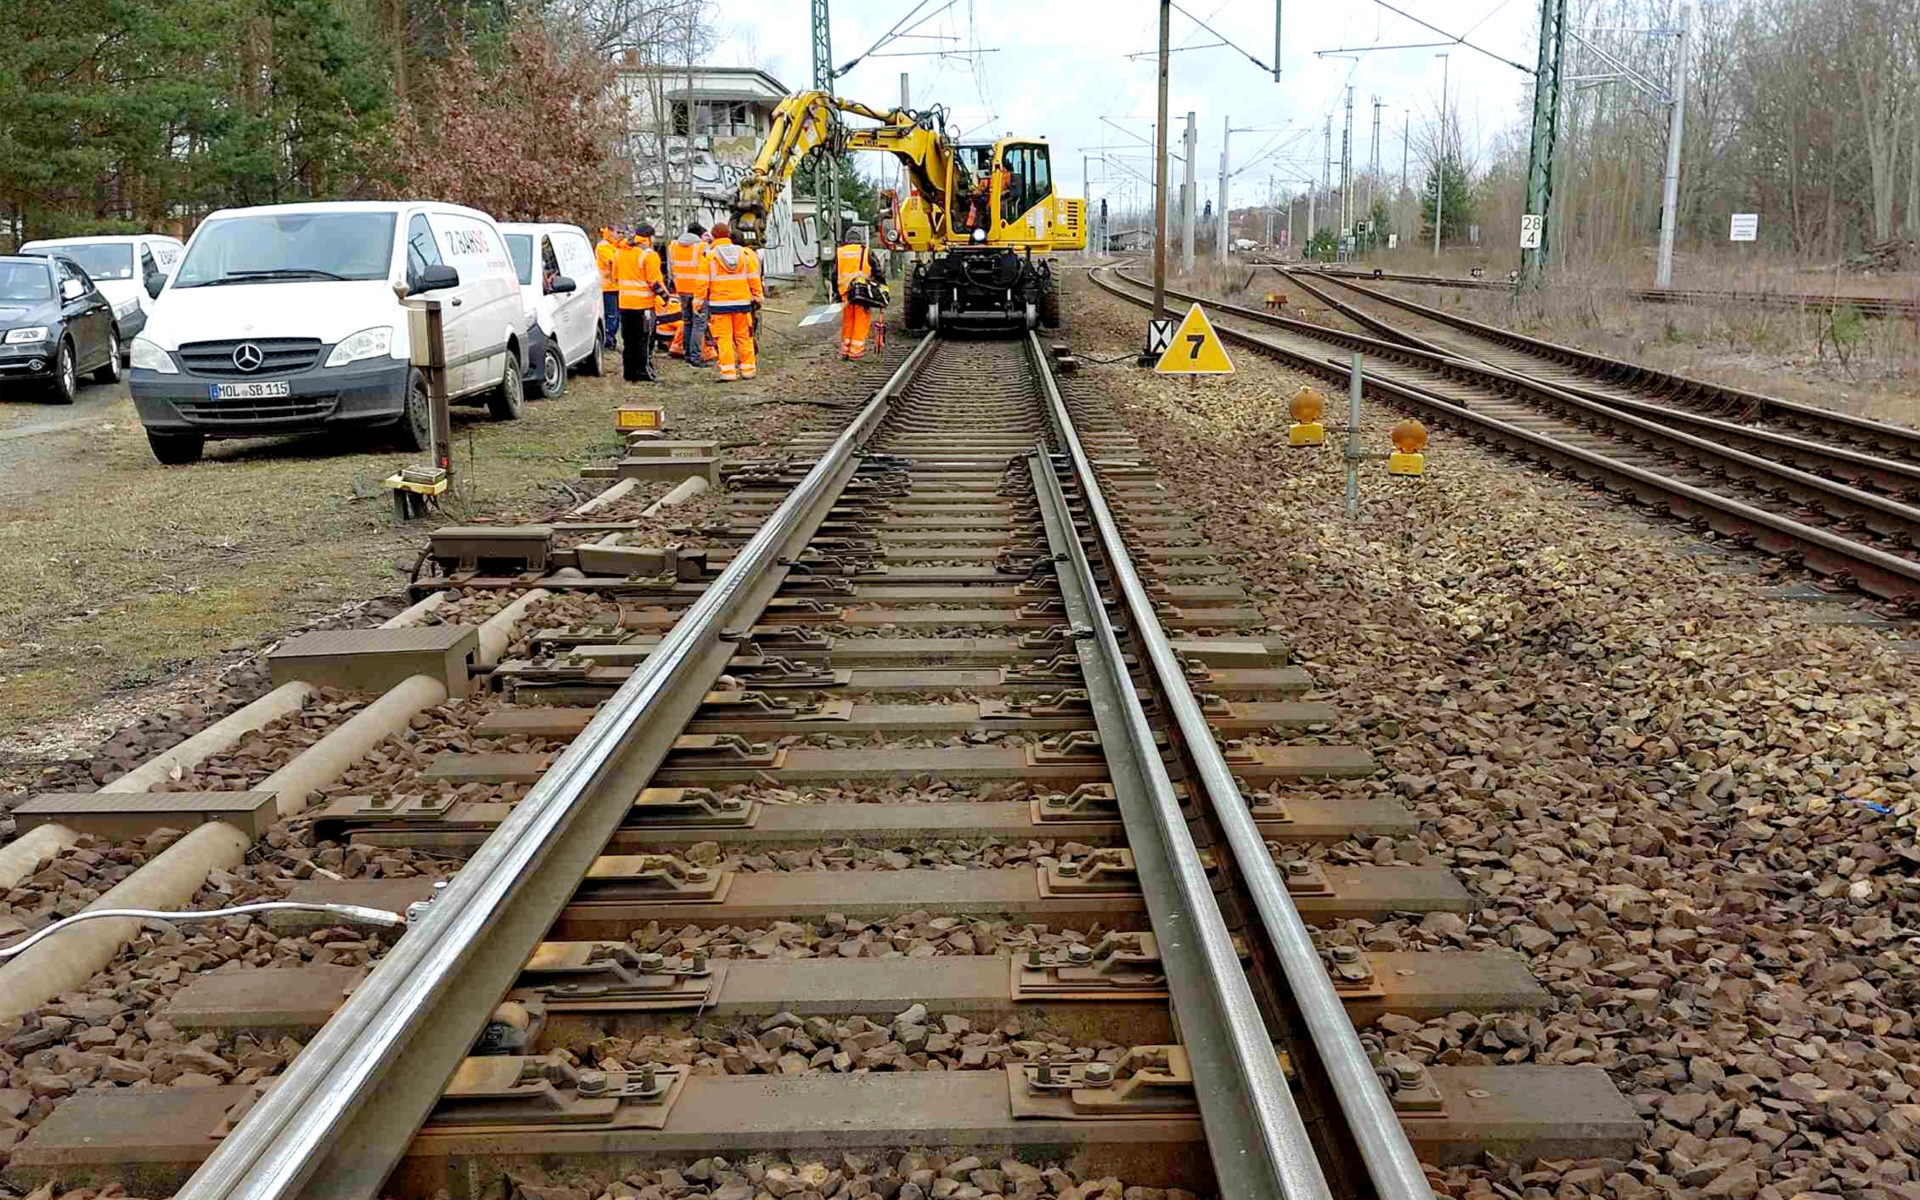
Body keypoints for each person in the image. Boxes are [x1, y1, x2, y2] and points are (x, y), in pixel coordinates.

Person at [702, 222, 763, 382]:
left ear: (714, 236)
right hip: (742, 303)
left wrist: (697, 302)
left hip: (719, 305)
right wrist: (758, 296)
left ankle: (728, 372)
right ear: (729, 235)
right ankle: (748, 370)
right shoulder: (744, 254)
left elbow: (702, 282)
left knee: (724, 338)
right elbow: (753, 277)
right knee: (744, 336)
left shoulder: (710, 256)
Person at [615, 223, 665, 382]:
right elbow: (655, 282)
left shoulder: (621, 251)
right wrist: (665, 296)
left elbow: (615, 275)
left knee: (629, 341)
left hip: (624, 304)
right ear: (650, 237)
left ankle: (629, 373)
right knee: (644, 339)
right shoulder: (649, 255)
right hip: (644, 305)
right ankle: (644, 373)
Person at [666, 222, 709, 366]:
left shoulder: (673, 246)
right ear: (698, 234)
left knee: (687, 322)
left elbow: (671, 268)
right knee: (699, 324)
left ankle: (686, 352)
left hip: (681, 289)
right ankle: (695, 357)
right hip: (697, 291)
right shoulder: (701, 247)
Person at [836, 230, 875, 360]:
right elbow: (877, 270)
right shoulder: (865, 251)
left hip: (845, 293)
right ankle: (856, 352)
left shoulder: (840, 252)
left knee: (848, 321)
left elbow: (834, 274)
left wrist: (837, 293)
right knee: (860, 321)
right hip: (861, 293)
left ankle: (845, 351)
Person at [595, 227, 622, 349]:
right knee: (611, 315)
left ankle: (610, 338)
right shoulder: (604, 247)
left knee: (615, 315)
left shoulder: (614, 246)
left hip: (615, 286)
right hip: (607, 287)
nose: (620, 235)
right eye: (618, 232)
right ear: (610, 232)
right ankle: (608, 339)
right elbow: (613, 262)